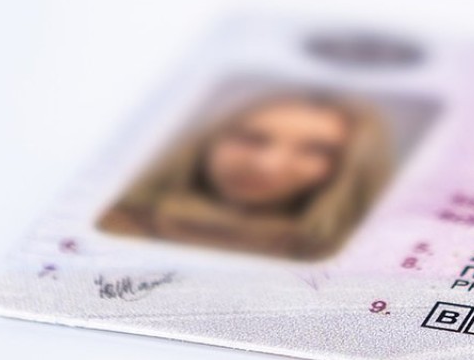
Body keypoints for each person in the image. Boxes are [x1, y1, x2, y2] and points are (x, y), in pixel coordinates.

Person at [98, 88, 391, 260]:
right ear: (209, 140)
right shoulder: (112, 222)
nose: (266, 165)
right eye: (250, 138)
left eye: (314, 151)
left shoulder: (345, 255)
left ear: (349, 168)